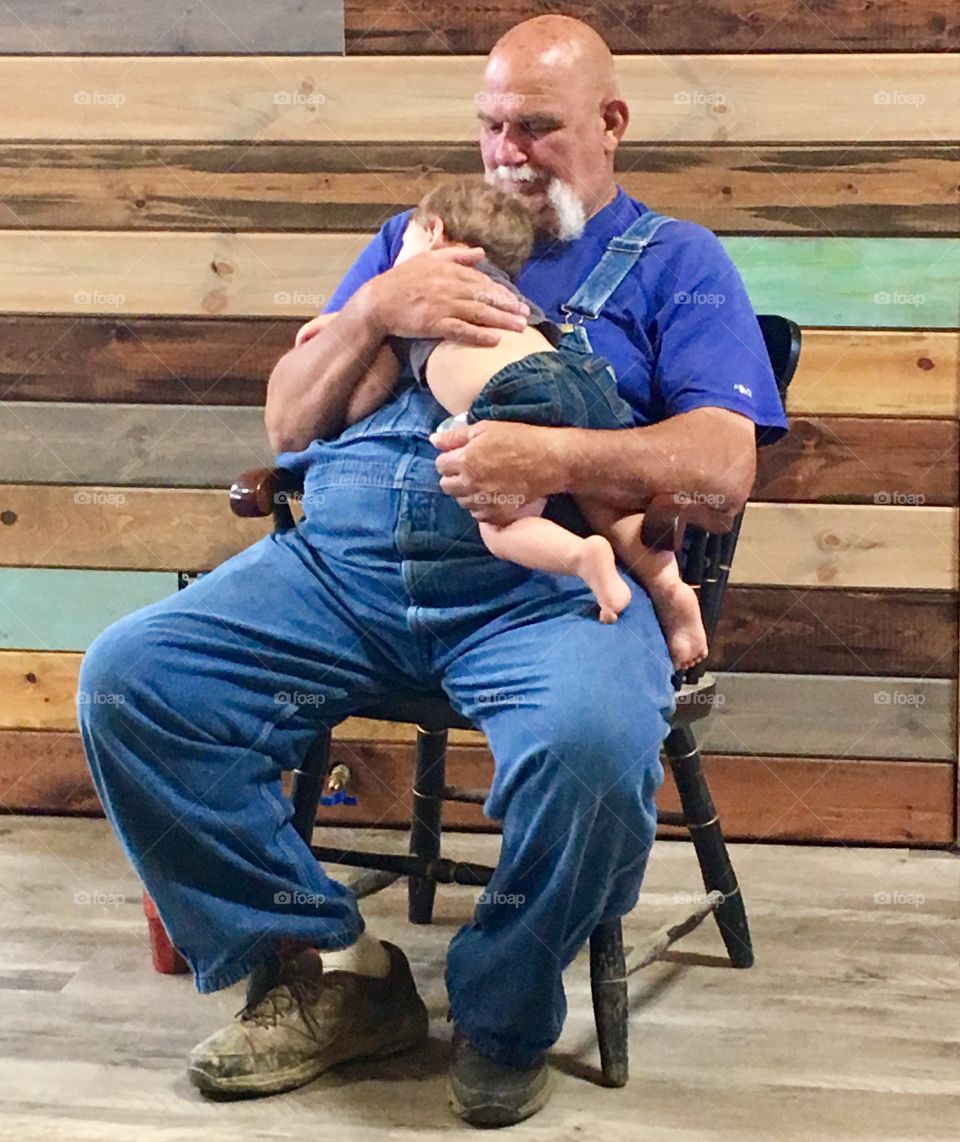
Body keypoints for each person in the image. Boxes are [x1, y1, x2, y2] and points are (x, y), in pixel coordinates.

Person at [76, 13, 787, 1130]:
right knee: (131, 677)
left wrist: (549, 453)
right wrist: (375, 306)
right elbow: (287, 418)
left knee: (593, 748)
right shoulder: (411, 237)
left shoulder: (678, 263)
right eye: (492, 125)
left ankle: (505, 1003)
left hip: (539, 586)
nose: (508, 150)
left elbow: (721, 462)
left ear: (611, 125)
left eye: (538, 127)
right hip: (340, 574)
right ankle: (327, 966)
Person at [297, 176, 710, 666]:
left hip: (510, 395)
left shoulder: (418, 301)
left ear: (433, 233)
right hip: (577, 375)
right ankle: (668, 587)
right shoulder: (504, 290)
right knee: (607, 499)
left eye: (404, 242)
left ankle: (580, 557)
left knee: (499, 523)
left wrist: (338, 328)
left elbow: (360, 396)